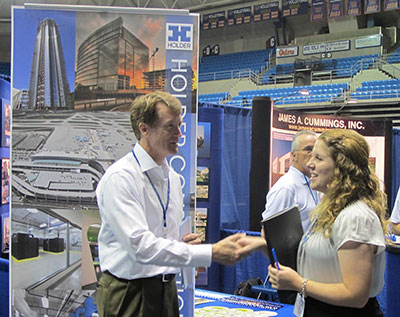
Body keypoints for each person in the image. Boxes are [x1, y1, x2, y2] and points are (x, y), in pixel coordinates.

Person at [96, 91, 243, 317]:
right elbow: (140, 247)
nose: (179, 134)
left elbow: (158, 238)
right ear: (144, 129)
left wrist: (180, 244)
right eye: (170, 126)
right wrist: (210, 252)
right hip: (129, 292)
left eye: (180, 125)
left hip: (165, 289)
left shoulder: (171, 176)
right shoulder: (121, 177)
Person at [268, 129, 388, 317]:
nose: (310, 164)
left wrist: (298, 283)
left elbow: (355, 295)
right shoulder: (331, 209)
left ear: (342, 167)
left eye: (318, 158)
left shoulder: (355, 217)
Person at [262, 130, 319, 232]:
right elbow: (269, 232)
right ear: (293, 156)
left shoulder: (316, 183)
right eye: (308, 150)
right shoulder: (286, 188)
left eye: (316, 150)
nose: (313, 155)